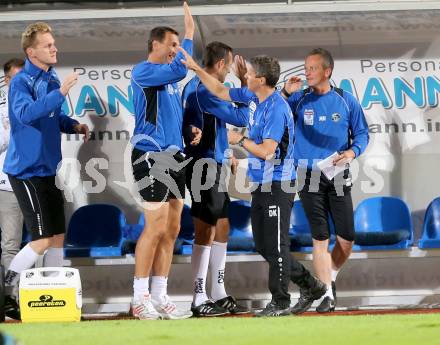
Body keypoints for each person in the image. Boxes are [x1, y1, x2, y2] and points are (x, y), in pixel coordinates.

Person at [180, 48, 327, 317]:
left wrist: (240, 140)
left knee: (278, 246)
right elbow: (221, 91)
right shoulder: (253, 95)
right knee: (263, 245)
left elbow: (268, 151)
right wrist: (196, 69)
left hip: (279, 184)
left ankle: (280, 301)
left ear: (260, 80)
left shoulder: (276, 109)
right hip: (261, 183)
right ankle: (312, 287)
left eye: (247, 74)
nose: (242, 76)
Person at [3, 22, 89, 319]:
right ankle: (6, 294)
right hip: (25, 171)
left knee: (57, 237)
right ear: (32, 51)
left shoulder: (50, 78)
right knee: (39, 239)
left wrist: (72, 125)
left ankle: (53, 296)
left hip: (47, 169)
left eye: (54, 43)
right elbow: (26, 114)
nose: (55, 48)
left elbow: (53, 115)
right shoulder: (21, 81)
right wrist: (62, 91)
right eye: (48, 45)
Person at [282, 48, 369, 313]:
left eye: (312, 68)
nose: (306, 72)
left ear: (327, 71)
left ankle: (328, 277)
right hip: (307, 175)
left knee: (347, 238)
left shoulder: (346, 101)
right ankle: (326, 295)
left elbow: (363, 134)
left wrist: (352, 153)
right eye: (306, 67)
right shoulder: (297, 100)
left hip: (338, 173)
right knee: (320, 236)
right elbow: (271, 111)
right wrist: (285, 93)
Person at [129, 2, 194, 320]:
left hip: (174, 157)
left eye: (179, 45)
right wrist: (191, 34)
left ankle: (160, 295)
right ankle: (138, 297)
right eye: (173, 44)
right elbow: (183, 68)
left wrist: (188, 131)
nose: (176, 50)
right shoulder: (143, 71)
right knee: (153, 227)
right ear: (155, 44)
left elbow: (170, 117)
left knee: (172, 228)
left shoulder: (168, 82)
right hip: (150, 156)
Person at [182, 41, 249, 317]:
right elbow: (241, 114)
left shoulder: (200, 86)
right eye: (230, 65)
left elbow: (216, 126)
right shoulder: (204, 90)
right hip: (202, 165)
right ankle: (199, 297)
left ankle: (218, 291)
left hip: (216, 162)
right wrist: (245, 82)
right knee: (206, 228)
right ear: (221, 64)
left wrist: (227, 153)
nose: (230, 72)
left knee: (222, 225)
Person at [0, 58, 24, 320]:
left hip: (14, 185)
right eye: (15, 79)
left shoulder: (31, 104)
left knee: (11, 246)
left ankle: (12, 298)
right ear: (7, 79)